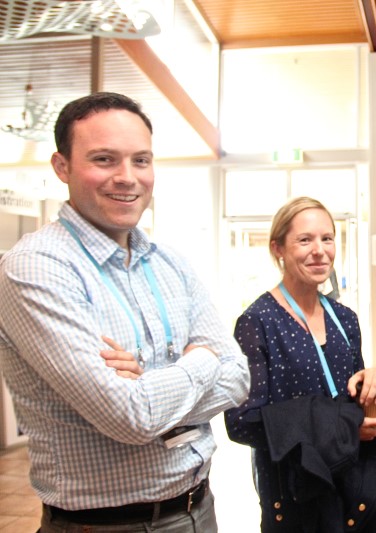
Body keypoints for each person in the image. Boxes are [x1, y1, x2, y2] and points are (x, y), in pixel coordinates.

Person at [0, 92, 251, 532]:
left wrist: (149, 382)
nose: (127, 178)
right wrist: (202, 359)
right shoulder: (36, 267)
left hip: (198, 509)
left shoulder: (170, 263)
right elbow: (131, 417)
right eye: (104, 159)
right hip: (103, 525)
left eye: (141, 160)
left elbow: (239, 378)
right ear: (62, 167)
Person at [224, 197, 376, 532]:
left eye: (327, 238)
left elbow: (351, 395)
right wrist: (339, 429)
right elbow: (242, 422)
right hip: (296, 491)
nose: (320, 251)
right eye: (305, 240)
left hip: (352, 482)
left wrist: (372, 381)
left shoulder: (345, 319)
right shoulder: (257, 323)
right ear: (278, 248)